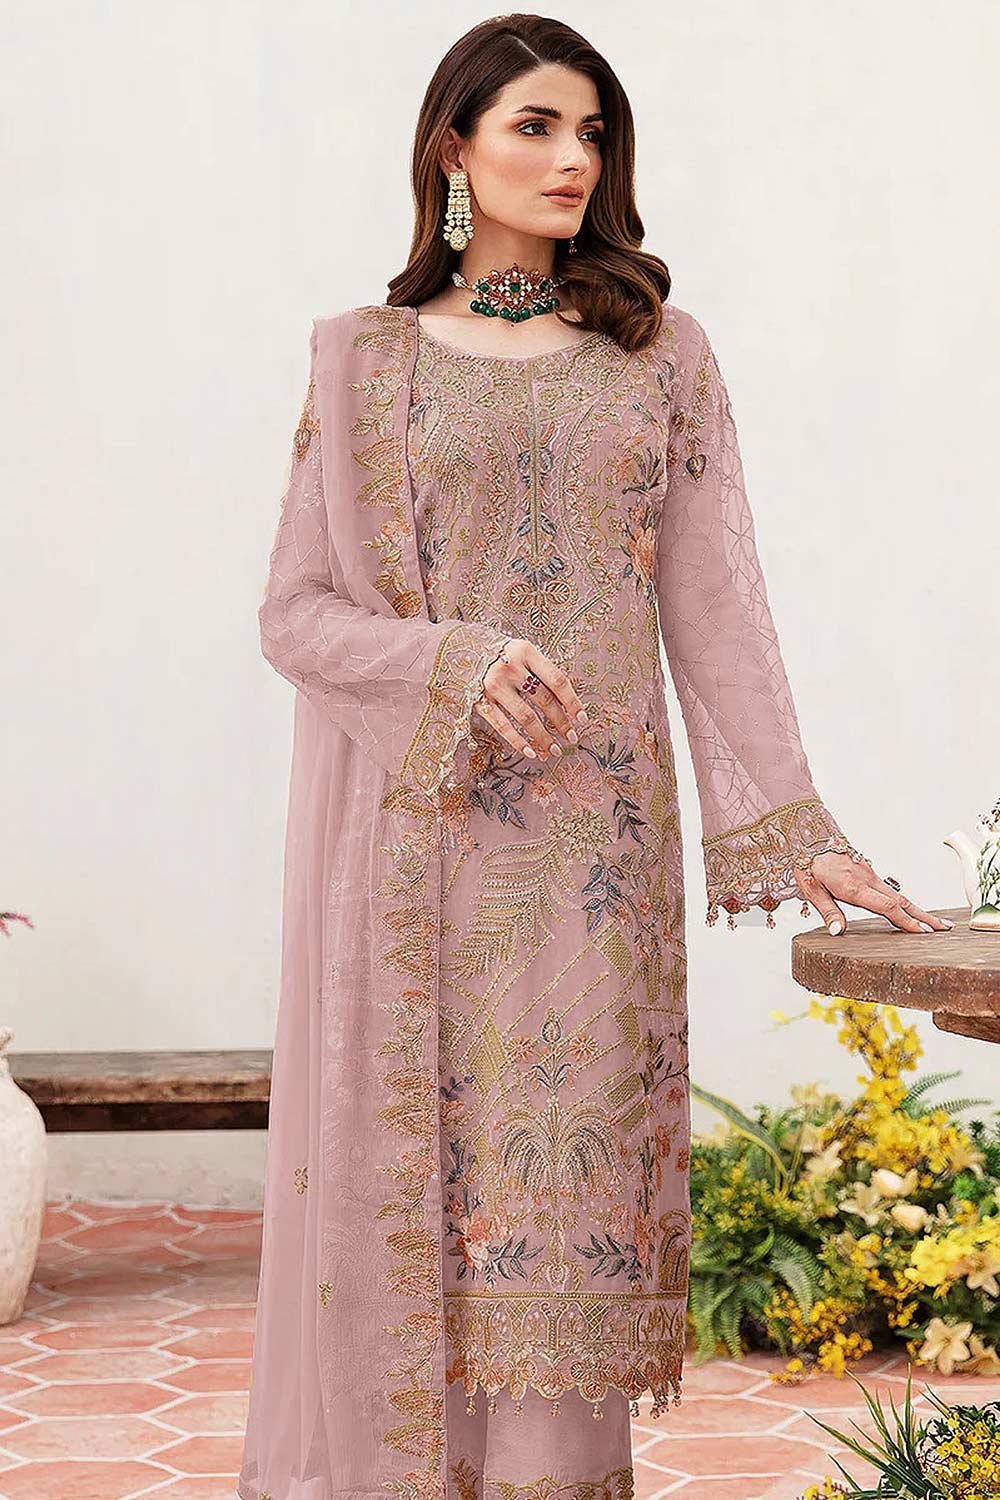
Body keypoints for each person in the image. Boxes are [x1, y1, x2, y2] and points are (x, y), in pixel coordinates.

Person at [237, 15, 951, 1500]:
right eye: (537, 127)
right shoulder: (364, 363)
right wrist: (452, 662)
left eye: (593, 134)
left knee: (558, 1230)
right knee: (411, 1207)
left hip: (592, 878)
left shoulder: (657, 355)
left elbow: (717, 612)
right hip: (418, 861)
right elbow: (294, 614)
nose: (574, 159)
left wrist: (803, 831)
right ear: (454, 147)